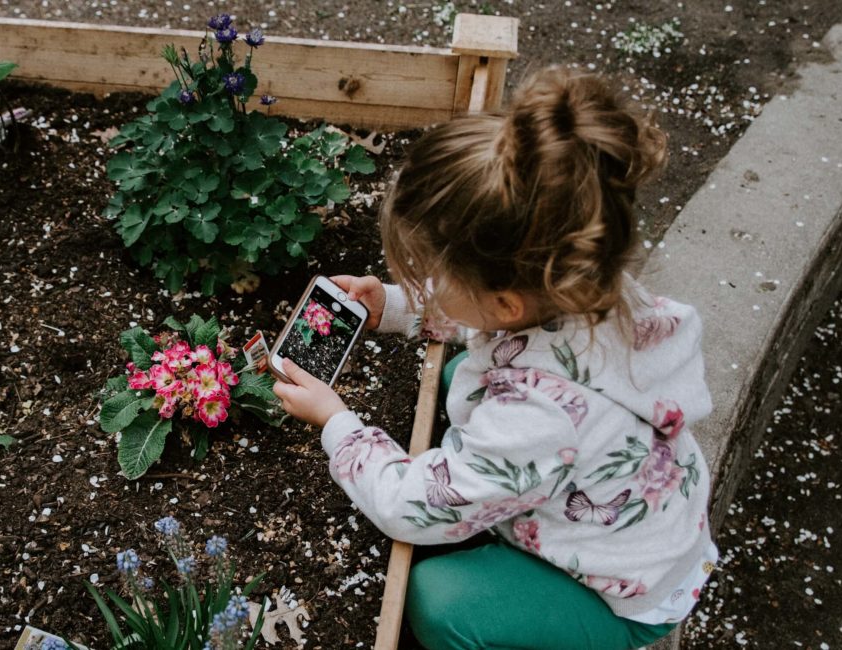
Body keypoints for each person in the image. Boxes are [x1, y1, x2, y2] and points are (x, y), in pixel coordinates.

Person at [272, 66, 718, 650]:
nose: (426, 279)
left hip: (620, 594)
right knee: (462, 374)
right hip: (630, 519)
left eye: (435, 275)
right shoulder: (591, 287)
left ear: (505, 302)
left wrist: (337, 424)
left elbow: (410, 510)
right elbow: (488, 320)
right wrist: (399, 307)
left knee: (440, 602)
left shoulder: (537, 417)